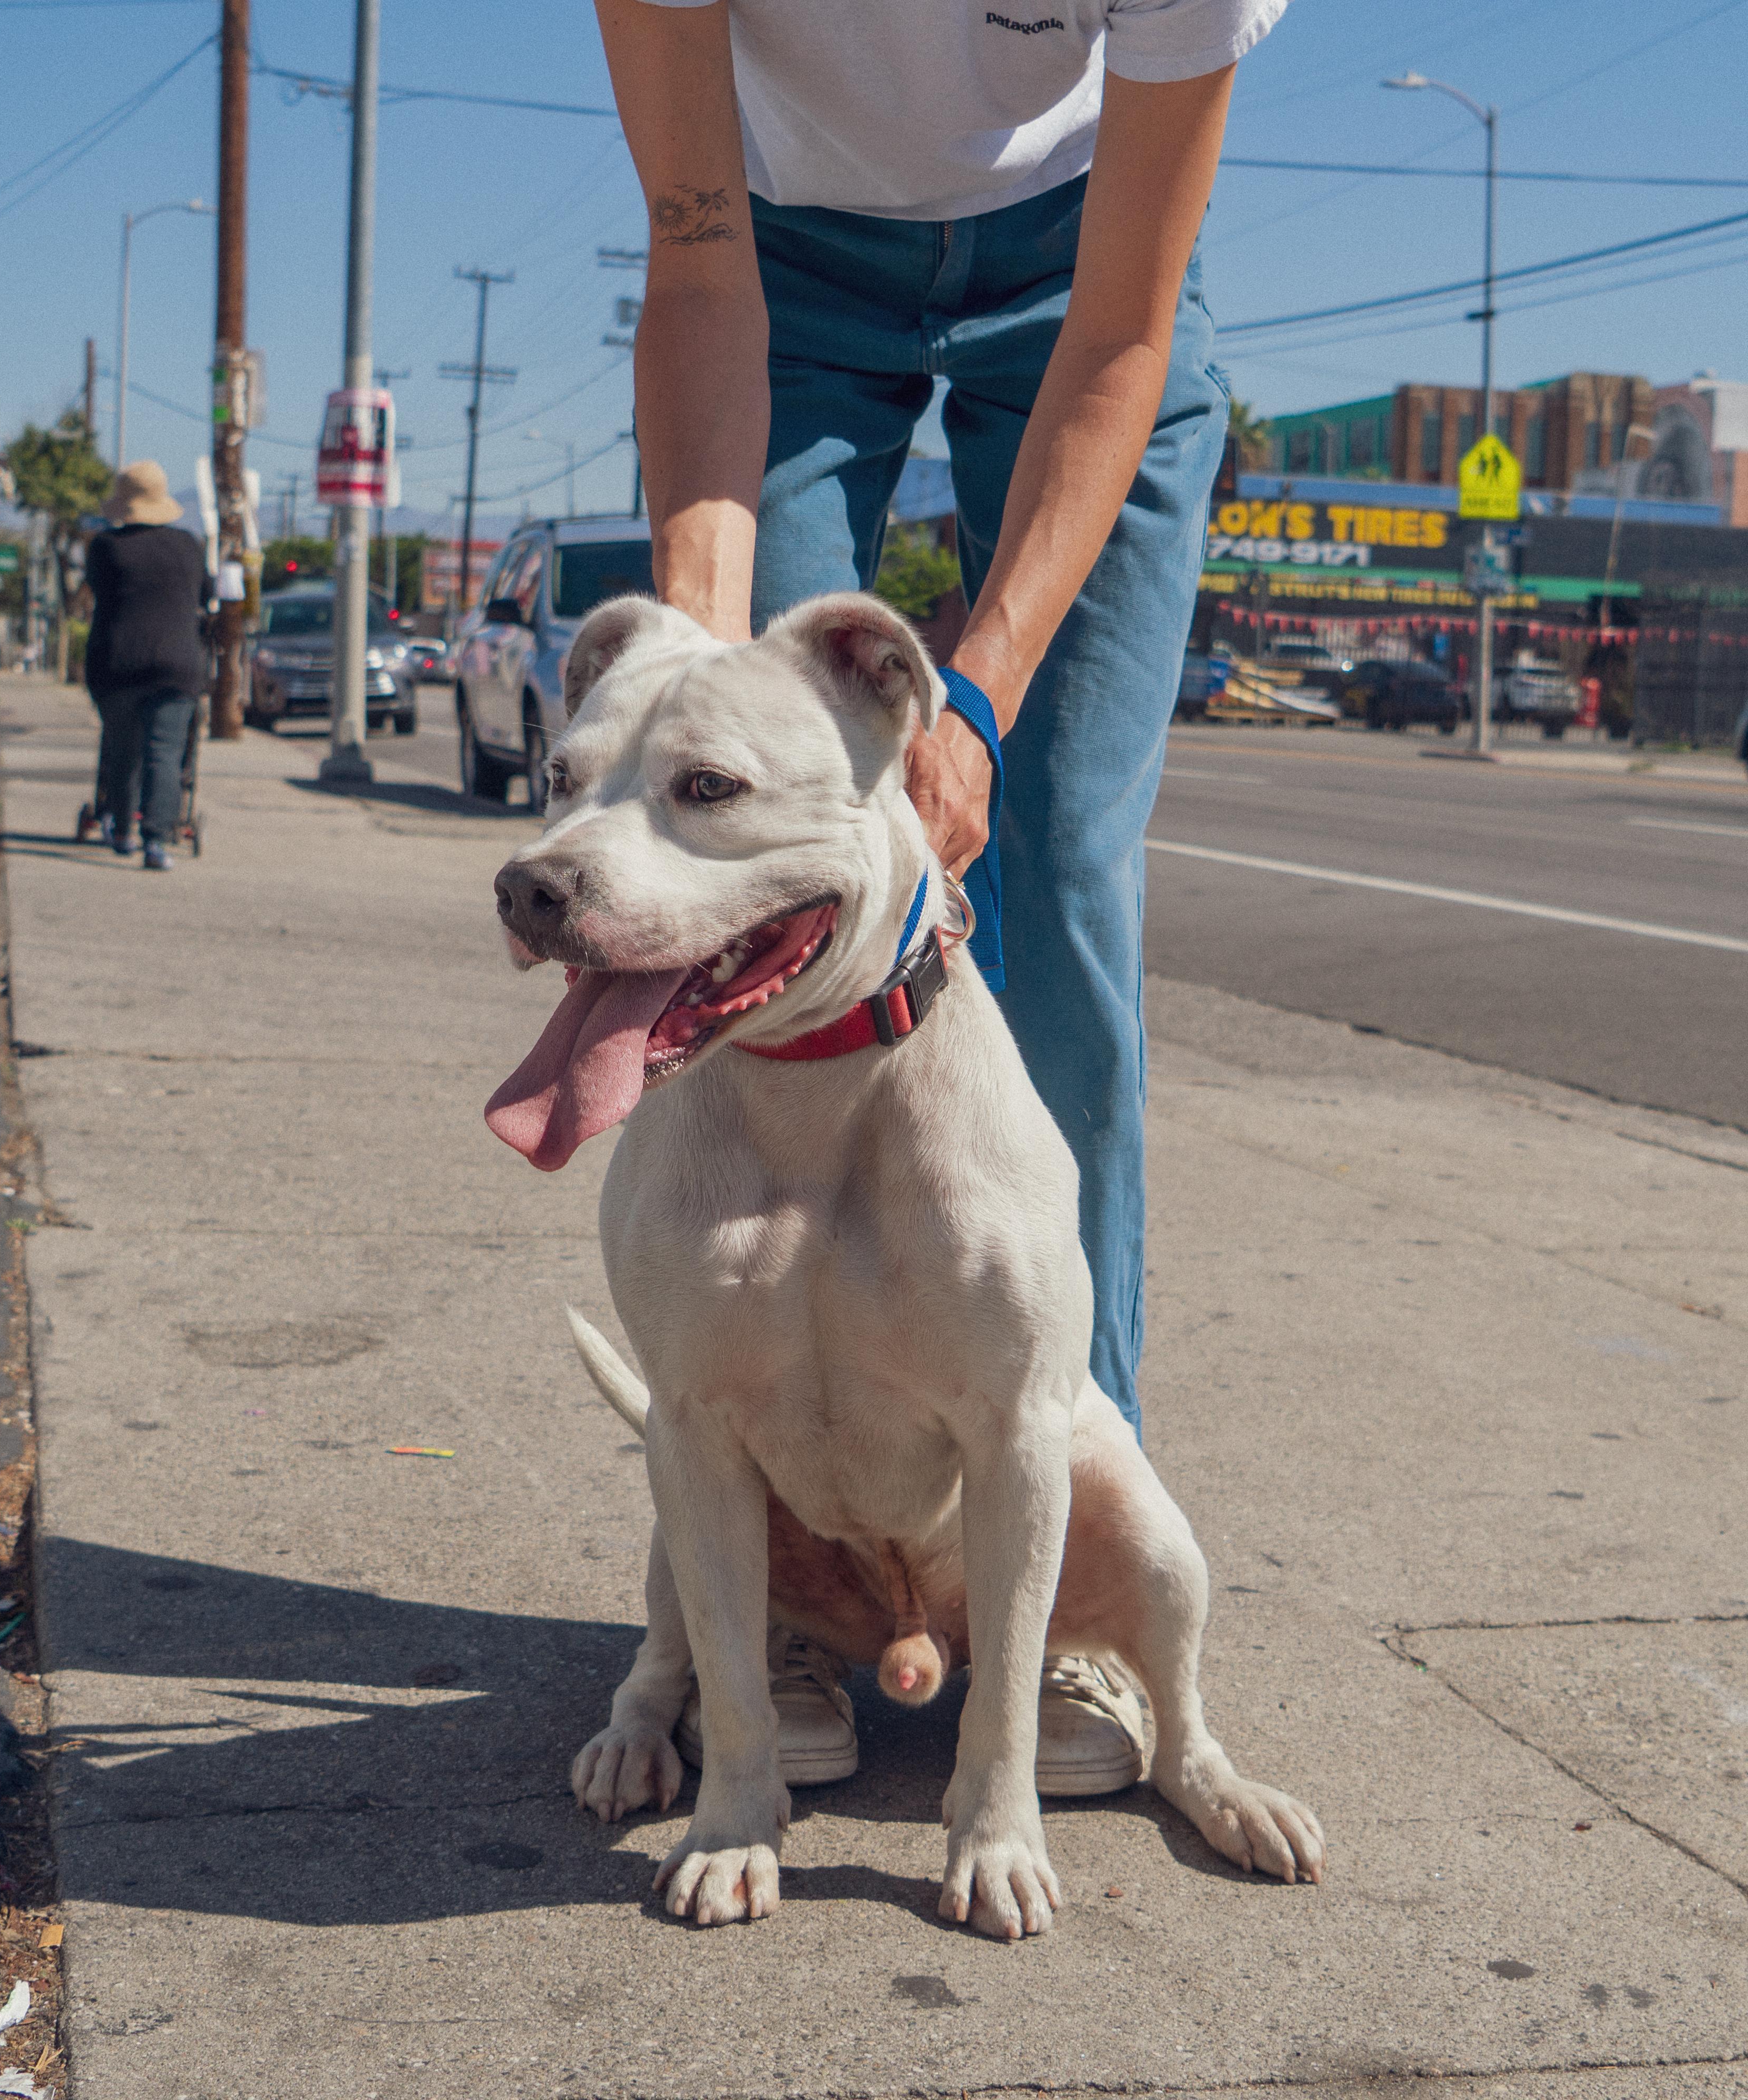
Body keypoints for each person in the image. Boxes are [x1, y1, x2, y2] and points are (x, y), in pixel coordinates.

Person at [593, 0, 1278, 1791]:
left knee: (1046, 884)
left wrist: (971, 696)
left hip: (1084, 277)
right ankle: (793, 1580)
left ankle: (1060, 1568)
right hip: (773, 255)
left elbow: (1126, 332)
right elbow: (694, 269)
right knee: (757, 869)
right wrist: (703, 656)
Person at [81, 463, 210, 872]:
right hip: (178, 663)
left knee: (123, 752)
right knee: (166, 754)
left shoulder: (105, 548)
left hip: (119, 661)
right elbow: (205, 594)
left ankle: (123, 833)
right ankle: (157, 842)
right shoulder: (189, 546)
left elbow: (100, 593)